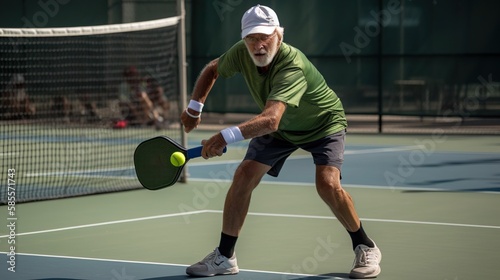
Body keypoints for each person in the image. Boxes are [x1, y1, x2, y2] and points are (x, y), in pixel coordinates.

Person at [181, 5, 382, 279]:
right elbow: (213, 69)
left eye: (265, 37)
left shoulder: (291, 64)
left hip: (323, 123)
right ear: (244, 40)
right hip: (283, 130)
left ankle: (365, 245)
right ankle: (225, 257)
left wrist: (223, 136)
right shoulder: (241, 53)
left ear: (279, 35)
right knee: (244, 175)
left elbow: (271, 120)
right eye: (252, 38)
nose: (258, 45)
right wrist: (194, 109)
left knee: (327, 183)